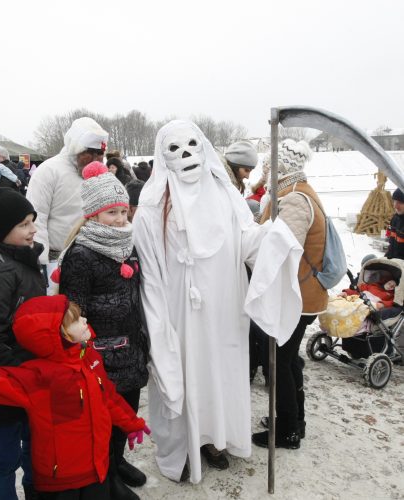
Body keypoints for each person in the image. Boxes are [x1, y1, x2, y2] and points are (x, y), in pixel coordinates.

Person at [133, 120, 303, 483]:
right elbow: (149, 270)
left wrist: (273, 238)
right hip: (180, 309)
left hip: (225, 304)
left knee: (221, 372)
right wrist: (157, 319)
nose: (186, 155)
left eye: (192, 144)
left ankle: (217, 439)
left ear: (204, 146)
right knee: (185, 372)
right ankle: (184, 448)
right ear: (163, 157)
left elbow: (245, 239)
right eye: (175, 149)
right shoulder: (151, 207)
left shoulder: (225, 194)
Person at [0, 295, 150, 500]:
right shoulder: (39, 377)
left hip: (97, 470)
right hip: (61, 480)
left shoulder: (88, 358)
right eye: (77, 320)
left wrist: (131, 423)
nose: (85, 321)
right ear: (59, 334)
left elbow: (107, 396)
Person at [59, 162, 149, 500]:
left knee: (127, 412)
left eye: (124, 211)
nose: (121, 219)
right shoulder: (81, 255)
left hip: (131, 349)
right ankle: (106, 476)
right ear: (94, 215)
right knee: (105, 420)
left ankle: (117, 460)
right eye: (112, 212)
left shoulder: (126, 244)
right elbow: (73, 310)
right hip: (102, 356)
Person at [253, 139, 329, 450]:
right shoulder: (292, 192)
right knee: (287, 359)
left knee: (279, 361)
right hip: (301, 293)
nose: (265, 169)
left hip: (299, 296)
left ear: (282, 166)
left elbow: (282, 249)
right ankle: (295, 419)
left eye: (270, 164)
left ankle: (288, 429)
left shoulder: (295, 199)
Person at [0, 188, 47, 500]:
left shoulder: (26, 259)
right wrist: (22, 372)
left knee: (36, 448)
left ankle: (35, 491)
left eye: (32, 221)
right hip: (7, 386)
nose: (33, 229)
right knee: (6, 457)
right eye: (24, 224)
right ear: (2, 230)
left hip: (31, 376)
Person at [26, 117, 108, 270]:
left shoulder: (100, 174)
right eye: (90, 152)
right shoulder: (48, 171)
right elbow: (36, 220)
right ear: (75, 148)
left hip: (94, 256)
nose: (96, 159)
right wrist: (41, 265)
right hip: (56, 259)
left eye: (100, 153)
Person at [385, 188, 404, 260]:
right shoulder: (395, 219)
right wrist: (387, 257)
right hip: (395, 261)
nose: (395, 206)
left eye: (400, 202)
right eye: (395, 201)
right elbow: (391, 242)